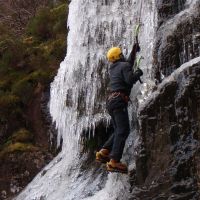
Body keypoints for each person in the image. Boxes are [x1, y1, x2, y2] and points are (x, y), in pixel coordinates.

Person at [96, 41, 143, 174]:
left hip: (111, 102)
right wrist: (138, 73)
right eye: (121, 54)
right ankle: (114, 161)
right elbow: (129, 79)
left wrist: (134, 50)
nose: (123, 55)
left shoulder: (114, 67)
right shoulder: (124, 66)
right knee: (123, 130)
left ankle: (104, 151)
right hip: (119, 100)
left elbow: (127, 64)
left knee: (118, 130)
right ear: (119, 56)